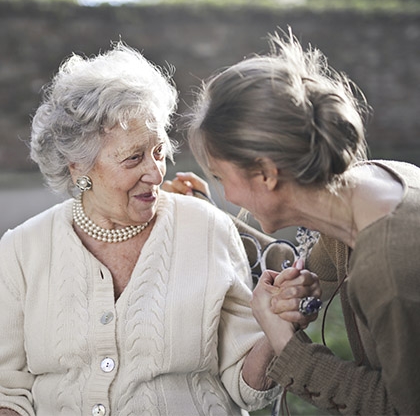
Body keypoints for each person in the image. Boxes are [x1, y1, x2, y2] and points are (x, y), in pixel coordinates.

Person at [0, 43, 321, 416]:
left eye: (158, 151)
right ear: (78, 167)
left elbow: (247, 388)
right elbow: (8, 392)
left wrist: (277, 325)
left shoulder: (205, 228)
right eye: (133, 157)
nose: (155, 173)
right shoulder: (21, 250)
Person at [166, 29, 420, 415]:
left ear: (266, 174)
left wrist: (286, 344)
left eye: (221, 178)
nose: (229, 195)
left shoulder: (387, 268)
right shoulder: (371, 186)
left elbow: (402, 406)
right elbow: (298, 262)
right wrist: (206, 212)